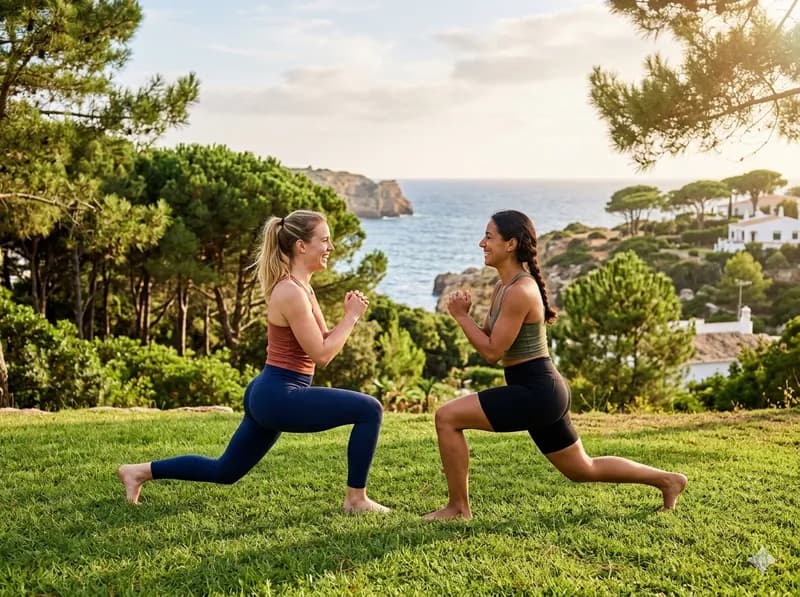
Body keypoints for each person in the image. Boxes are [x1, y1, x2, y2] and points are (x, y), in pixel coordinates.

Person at [118, 209, 389, 513]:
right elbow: (323, 355)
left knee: (225, 471)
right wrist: (352, 317)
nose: (331, 247)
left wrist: (347, 317)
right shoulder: (290, 292)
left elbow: (323, 339)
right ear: (301, 245)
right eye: (324, 240)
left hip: (271, 391)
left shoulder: (303, 287)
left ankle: (138, 471)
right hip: (280, 395)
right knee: (369, 409)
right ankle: (356, 500)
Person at [424, 210, 687, 521]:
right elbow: (490, 338)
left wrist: (461, 317)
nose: (482, 243)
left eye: (489, 237)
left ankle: (458, 508)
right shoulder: (503, 288)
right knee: (582, 469)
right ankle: (668, 480)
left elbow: (492, 353)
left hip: (537, 391)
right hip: (540, 390)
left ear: (510, 244)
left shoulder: (520, 291)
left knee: (447, 417)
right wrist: (466, 317)